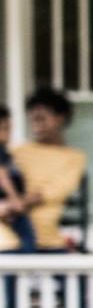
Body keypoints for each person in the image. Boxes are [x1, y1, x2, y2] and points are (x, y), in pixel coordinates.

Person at [4, 88, 88, 254]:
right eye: (33, 120)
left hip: (48, 237)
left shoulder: (74, 158)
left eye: (42, 119)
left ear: (60, 118)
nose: (36, 125)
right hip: (9, 231)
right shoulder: (18, 151)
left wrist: (18, 204)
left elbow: (55, 191)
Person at [0, 105, 37, 252]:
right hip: (8, 206)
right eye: (4, 128)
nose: (8, 133)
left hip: (9, 208)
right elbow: (2, 175)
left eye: (9, 128)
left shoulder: (7, 152)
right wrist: (14, 199)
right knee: (26, 238)